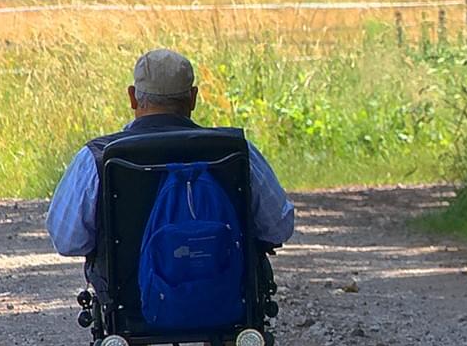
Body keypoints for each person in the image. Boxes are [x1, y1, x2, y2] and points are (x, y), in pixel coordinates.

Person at [46, 48, 296, 287]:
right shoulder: (237, 151)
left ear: (133, 97)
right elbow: (278, 228)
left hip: (130, 307)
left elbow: (68, 241)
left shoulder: (98, 157)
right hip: (229, 303)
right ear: (193, 97)